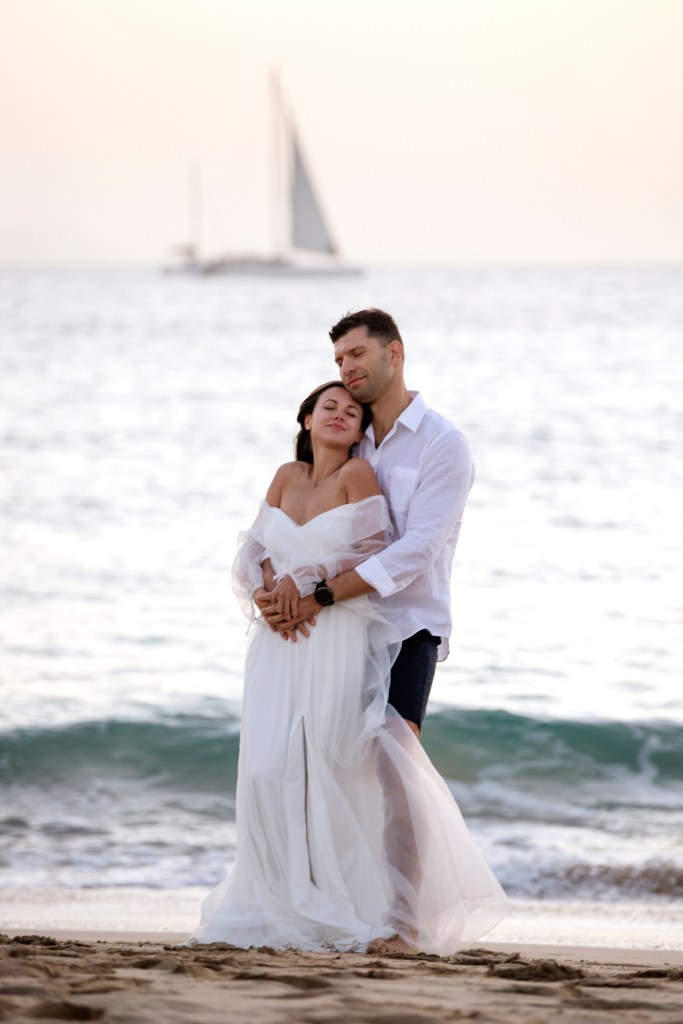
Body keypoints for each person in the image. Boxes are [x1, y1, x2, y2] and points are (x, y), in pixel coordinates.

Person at [190, 381, 509, 954]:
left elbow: (375, 548)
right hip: (277, 639)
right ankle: (278, 897)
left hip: (333, 632)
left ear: (361, 429)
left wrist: (308, 584)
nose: (340, 414)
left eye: (351, 411)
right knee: (268, 766)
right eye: (328, 406)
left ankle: (383, 912)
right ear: (306, 418)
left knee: (334, 763)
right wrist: (266, 591)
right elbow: (253, 548)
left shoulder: (360, 475)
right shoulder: (286, 475)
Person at [259, 309, 480, 953]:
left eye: (357, 355)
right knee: (321, 759)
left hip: (409, 625)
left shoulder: (443, 443)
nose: (348, 369)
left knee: (393, 761)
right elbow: (287, 526)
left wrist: (319, 593)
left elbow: (416, 550)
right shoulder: (347, 438)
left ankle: (405, 922)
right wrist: (274, 591)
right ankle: (335, 901)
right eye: (338, 362)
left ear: (395, 353)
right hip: (340, 630)